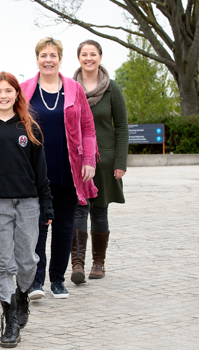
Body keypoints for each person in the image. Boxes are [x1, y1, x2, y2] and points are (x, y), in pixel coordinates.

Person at [0, 72, 53, 347]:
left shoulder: (30, 128)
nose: (3, 96)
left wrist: (47, 204)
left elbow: (41, 172)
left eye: (8, 91)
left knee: (27, 260)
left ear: (17, 94)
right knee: (3, 263)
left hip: (28, 203)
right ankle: (10, 318)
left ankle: (22, 296)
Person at [20, 37, 98, 300]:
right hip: (35, 170)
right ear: (37, 58)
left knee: (64, 226)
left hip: (68, 168)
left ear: (60, 59)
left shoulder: (74, 89)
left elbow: (87, 127)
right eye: (43, 55)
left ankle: (58, 280)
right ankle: (36, 281)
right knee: (39, 227)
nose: (48, 59)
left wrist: (88, 159)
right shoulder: (25, 89)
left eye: (53, 55)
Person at [71, 40, 128, 283]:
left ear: (100, 57)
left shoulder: (112, 89)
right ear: (79, 58)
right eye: (84, 54)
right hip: (77, 159)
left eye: (93, 54)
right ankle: (78, 264)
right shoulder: (70, 88)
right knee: (78, 209)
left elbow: (122, 126)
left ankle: (99, 263)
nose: (89, 58)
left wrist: (120, 161)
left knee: (100, 210)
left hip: (104, 160)